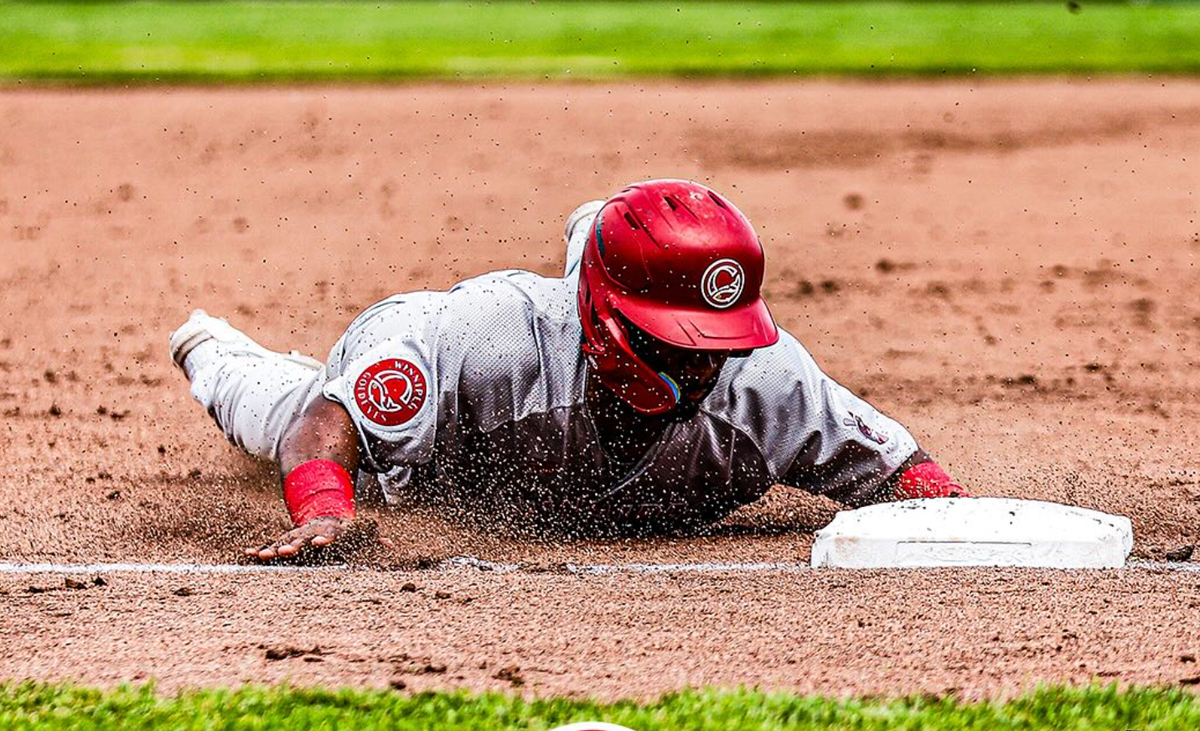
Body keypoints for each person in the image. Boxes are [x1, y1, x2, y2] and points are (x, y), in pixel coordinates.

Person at [169, 179, 968, 562]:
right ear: (605, 320)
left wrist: (972, 520)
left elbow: (904, 471)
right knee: (280, 405)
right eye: (676, 341)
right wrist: (323, 512)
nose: (703, 366)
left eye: (716, 340)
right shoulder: (479, 342)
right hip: (417, 425)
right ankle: (206, 345)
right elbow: (325, 426)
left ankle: (599, 225)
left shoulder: (771, 382)